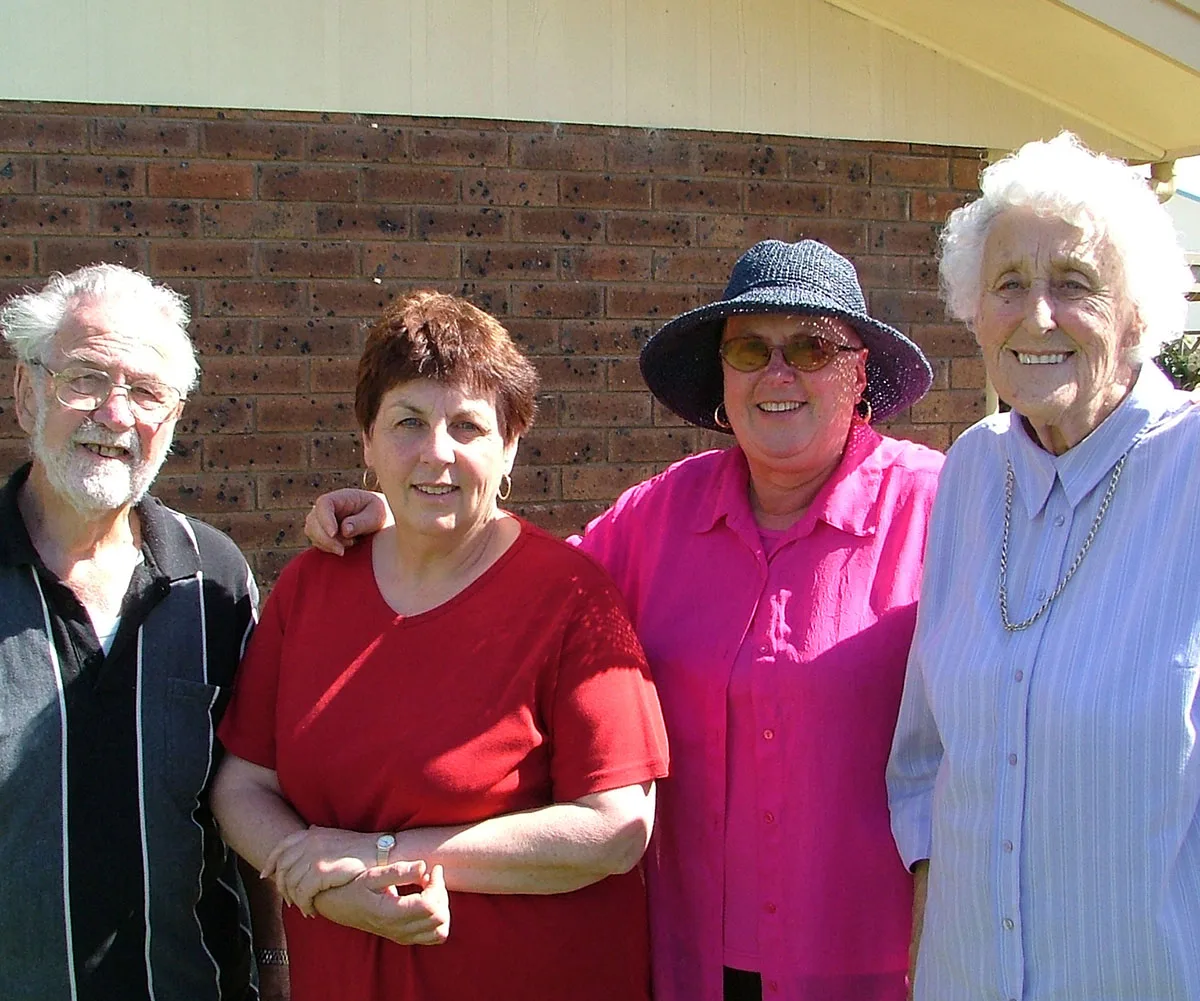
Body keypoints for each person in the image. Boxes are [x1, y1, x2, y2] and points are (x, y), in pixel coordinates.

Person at [308, 240, 943, 1001]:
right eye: (749, 348)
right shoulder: (663, 514)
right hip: (692, 964)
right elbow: (520, 583)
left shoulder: (940, 510)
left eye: (810, 346)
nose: (778, 373)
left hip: (877, 968)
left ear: (859, 370)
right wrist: (416, 517)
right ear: (722, 376)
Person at [210, 291, 669, 1001]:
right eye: (408, 422)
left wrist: (380, 854)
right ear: (366, 440)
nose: (437, 452)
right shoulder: (311, 586)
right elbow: (242, 783)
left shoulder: (571, 597)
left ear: (510, 443)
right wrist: (321, 885)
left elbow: (617, 826)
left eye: (467, 425)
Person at [887, 133, 1200, 1000]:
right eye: (1010, 285)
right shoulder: (971, 473)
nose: (1038, 317)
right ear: (974, 309)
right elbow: (923, 760)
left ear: (1140, 312)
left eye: (1075, 283)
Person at [0, 264, 286, 1001]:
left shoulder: (215, 580)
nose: (116, 413)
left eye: (146, 391)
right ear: (27, 390)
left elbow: (257, 791)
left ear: (174, 418)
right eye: (87, 377)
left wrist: (279, 967)